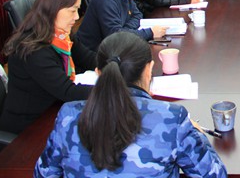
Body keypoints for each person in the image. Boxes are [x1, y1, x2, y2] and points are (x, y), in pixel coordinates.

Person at [34, 32, 227, 177]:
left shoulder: (68, 116)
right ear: (149, 70)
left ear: (98, 73)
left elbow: (43, 174)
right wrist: (197, 134)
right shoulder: (172, 119)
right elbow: (214, 174)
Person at [0, 0, 96, 134]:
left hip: (53, 109)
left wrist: (115, 66)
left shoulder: (61, 35)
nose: (77, 17)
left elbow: (89, 58)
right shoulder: (33, 49)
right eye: (72, 10)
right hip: (27, 129)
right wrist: (111, 89)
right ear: (53, 9)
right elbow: (68, 91)